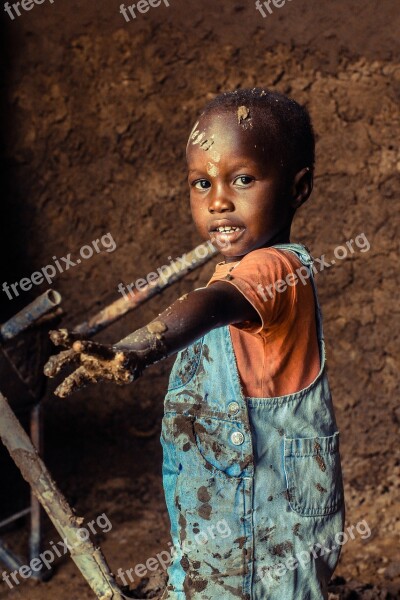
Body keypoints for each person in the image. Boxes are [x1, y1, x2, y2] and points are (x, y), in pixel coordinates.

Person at [45, 88, 345, 599]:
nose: (218, 200)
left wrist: (138, 348)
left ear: (299, 189)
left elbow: (214, 305)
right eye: (201, 183)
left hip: (264, 528)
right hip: (225, 517)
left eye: (242, 179)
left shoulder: (275, 270)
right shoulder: (229, 271)